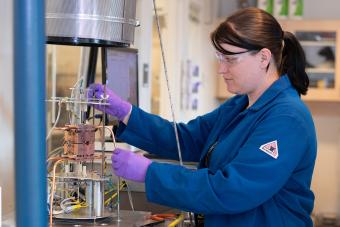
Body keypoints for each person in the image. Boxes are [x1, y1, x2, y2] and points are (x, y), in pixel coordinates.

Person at [89, 7, 317, 227]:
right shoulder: (239, 105)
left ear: (263, 58)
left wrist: (150, 173)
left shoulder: (287, 118)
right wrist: (125, 112)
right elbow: (186, 139)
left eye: (230, 59)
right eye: (220, 57)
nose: (221, 69)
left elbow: (232, 190)